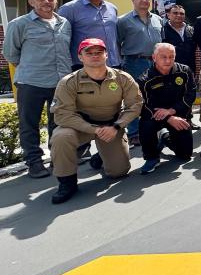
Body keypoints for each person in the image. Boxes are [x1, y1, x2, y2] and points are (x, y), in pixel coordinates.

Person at [48, 38, 143, 204]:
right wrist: (94, 130)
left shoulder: (122, 78)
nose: (94, 56)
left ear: (107, 54)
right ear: (80, 57)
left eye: (99, 52)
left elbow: (135, 105)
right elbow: (62, 114)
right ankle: (67, 182)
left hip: (111, 126)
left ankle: (101, 155)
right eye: (89, 53)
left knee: (118, 172)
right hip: (80, 127)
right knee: (61, 136)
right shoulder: (68, 82)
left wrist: (116, 126)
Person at [2, 0, 73, 178]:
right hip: (31, 82)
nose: (46, 2)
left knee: (57, 123)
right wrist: (31, 67)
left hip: (60, 83)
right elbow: (10, 53)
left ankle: (57, 158)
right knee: (29, 124)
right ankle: (34, 162)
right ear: (31, 2)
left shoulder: (64, 23)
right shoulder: (19, 24)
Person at [136, 43, 196, 174]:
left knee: (185, 155)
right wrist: (168, 117)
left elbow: (190, 94)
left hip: (178, 114)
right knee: (146, 125)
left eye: (171, 56)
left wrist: (171, 112)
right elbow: (144, 105)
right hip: (155, 116)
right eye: (163, 57)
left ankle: (165, 136)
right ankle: (151, 158)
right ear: (154, 57)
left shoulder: (185, 71)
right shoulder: (144, 79)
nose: (168, 60)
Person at [116, 0, 164, 145]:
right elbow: (116, 43)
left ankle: (154, 128)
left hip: (155, 63)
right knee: (134, 98)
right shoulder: (123, 21)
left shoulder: (158, 19)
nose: (144, 1)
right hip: (134, 62)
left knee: (155, 95)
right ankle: (134, 132)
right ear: (133, 0)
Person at [58, 0, 120, 68]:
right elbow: (61, 39)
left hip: (112, 63)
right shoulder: (69, 9)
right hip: (84, 65)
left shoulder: (112, 8)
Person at [162, 4, 197, 74]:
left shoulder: (191, 30)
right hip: (170, 70)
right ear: (168, 15)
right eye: (175, 13)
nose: (179, 15)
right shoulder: (162, 30)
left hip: (189, 69)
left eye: (182, 14)